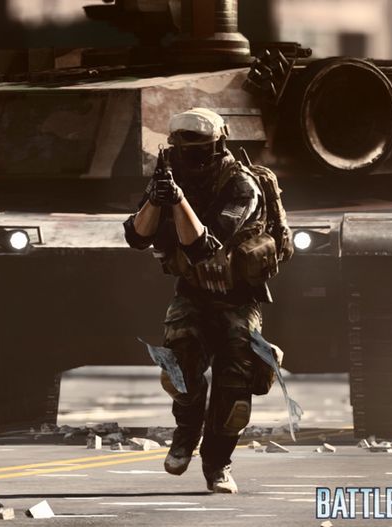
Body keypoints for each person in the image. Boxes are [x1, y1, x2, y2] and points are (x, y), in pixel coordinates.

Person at [124, 108, 288, 494]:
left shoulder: (242, 185)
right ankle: (186, 434)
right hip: (192, 294)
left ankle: (217, 465)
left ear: (218, 143)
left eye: (199, 145)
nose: (191, 154)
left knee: (235, 390)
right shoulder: (170, 177)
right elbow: (136, 237)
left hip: (238, 300)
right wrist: (156, 198)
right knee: (178, 371)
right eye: (183, 146)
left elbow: (205, 246)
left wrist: (178, 200)